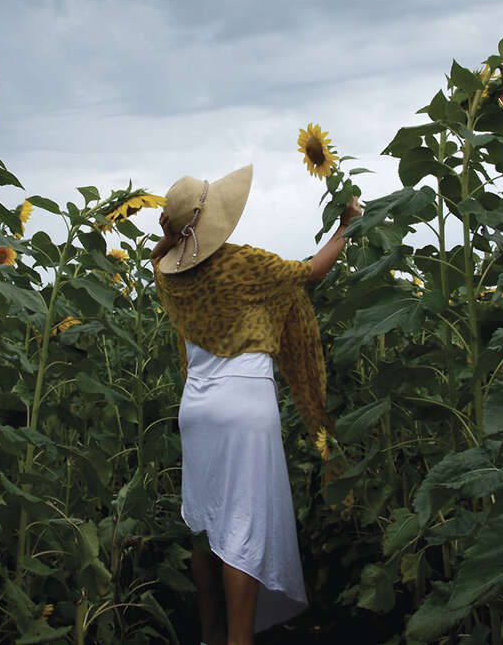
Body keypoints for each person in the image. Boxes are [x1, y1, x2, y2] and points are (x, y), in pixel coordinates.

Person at [150, 165, 362, 645]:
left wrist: (169, 237)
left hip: (197, 410)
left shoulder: (171, 278)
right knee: (241, 528)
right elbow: (309, 272)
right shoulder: (241, 264)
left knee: (205, 523)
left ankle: (210, 634)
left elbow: (158, 255)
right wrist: (345, 227)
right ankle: (240, 640)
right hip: (244, 406)